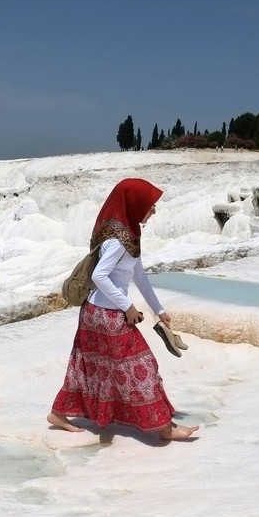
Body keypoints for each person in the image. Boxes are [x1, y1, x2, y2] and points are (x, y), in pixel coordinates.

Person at [48, 178, 199, 441]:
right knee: (141, 366)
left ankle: (58, 413)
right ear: (135, 205)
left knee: (93, 368)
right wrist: (128, 307)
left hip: (98, 314)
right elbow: (99, 276)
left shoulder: (128, 234)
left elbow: (139, 276)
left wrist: (158, 310)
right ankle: (163, 427)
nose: (153, 210)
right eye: (150, 205)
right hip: (104, 316)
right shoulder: (118, 240)